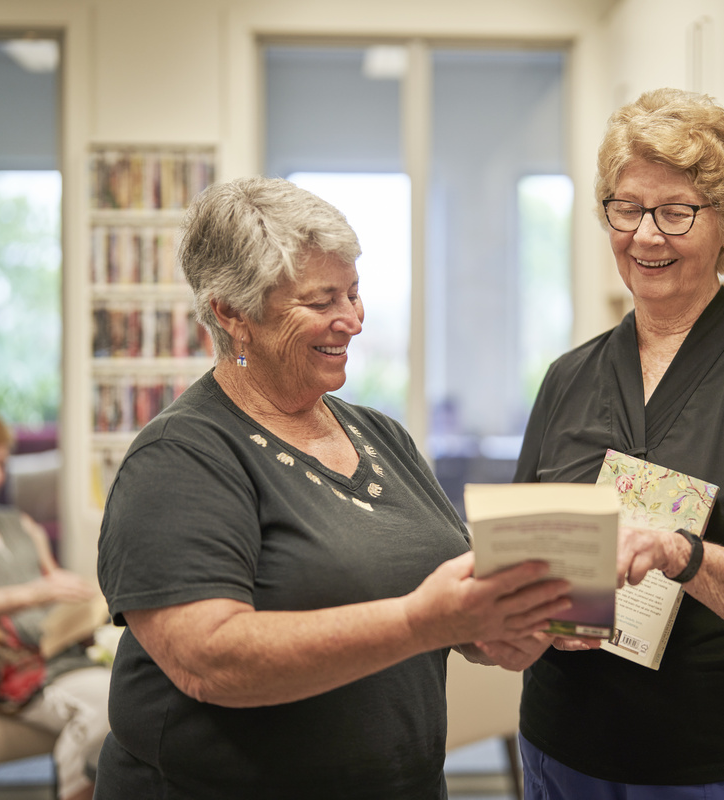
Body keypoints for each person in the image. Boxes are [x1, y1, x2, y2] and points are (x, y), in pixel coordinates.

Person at [93, 176, 571, 799]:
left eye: (354, 292)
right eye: (320, 302)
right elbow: (209, 660)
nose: (352, 320)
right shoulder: (180, 457)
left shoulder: (383, 436)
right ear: (231, 314)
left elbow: (448, 602)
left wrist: (501, 625)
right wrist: (419, 622)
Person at [514, 88, 724, 799]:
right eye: (628, 208)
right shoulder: (567, 378)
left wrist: (683, 553)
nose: (645, 235)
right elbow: (523, 566)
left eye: (675, 213)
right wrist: (546, 618)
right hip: (568, 746)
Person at [0, 409, 110, 800]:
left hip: (65, 655)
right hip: (17, 670)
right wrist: (35, 592)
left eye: (0, 464)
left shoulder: (21, 523)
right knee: (115, 707)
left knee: (137, 691)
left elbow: (57, 588)